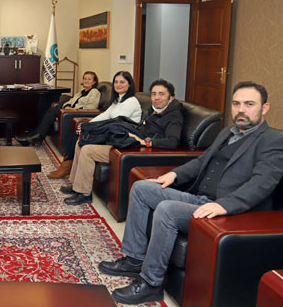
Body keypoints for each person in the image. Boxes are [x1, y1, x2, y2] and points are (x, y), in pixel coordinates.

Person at [99, 81, 283, 305]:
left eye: (249, 104)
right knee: (142, 188)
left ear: (265, 108)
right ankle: (135, 259)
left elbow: (263, 182)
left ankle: (151, 284)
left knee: (167, 209)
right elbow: (202, 161)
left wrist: (225, 205)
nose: (241, 110)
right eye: (236, 104)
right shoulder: (228, 132)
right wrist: (173, 175)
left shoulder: (273, 140)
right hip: (199, 198)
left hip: (228, 212)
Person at [61, 79, 184, 205]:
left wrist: (145, 142)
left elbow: (172, 141)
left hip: (139, 151)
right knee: (82, 143)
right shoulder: (154, 110)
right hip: (130, 142)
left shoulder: (173, 116)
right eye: (154, 94)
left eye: (162, 94)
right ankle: (76, 185)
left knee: (88, 150)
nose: (157, 97)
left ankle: (84, 194)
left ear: (171, 98)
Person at [49, 71, 142, 178]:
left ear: (129, 84)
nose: (118, 85)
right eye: (116, 82)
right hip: (111, 132)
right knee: (79, 134)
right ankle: (71, 174)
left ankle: (66, 167)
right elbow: (105, 115)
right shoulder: (118, 100)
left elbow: (115, 122)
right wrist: (88, 124)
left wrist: (90, 127)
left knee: (83, 134)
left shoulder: (131, 101)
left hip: (121, 138)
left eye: (122, 82)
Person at [16, 71, 101, 147]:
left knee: (53, 110)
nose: (86, 81)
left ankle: (37, 136)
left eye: (89, 79)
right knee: (52, 107)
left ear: (94, 82)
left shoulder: (94, 92)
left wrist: (74, 109)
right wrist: (67, 106)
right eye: (85, 79)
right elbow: (71, 101)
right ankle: (36, 135)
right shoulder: (81, 93)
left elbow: (92, 107)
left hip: (77, 114)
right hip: (69, 111)